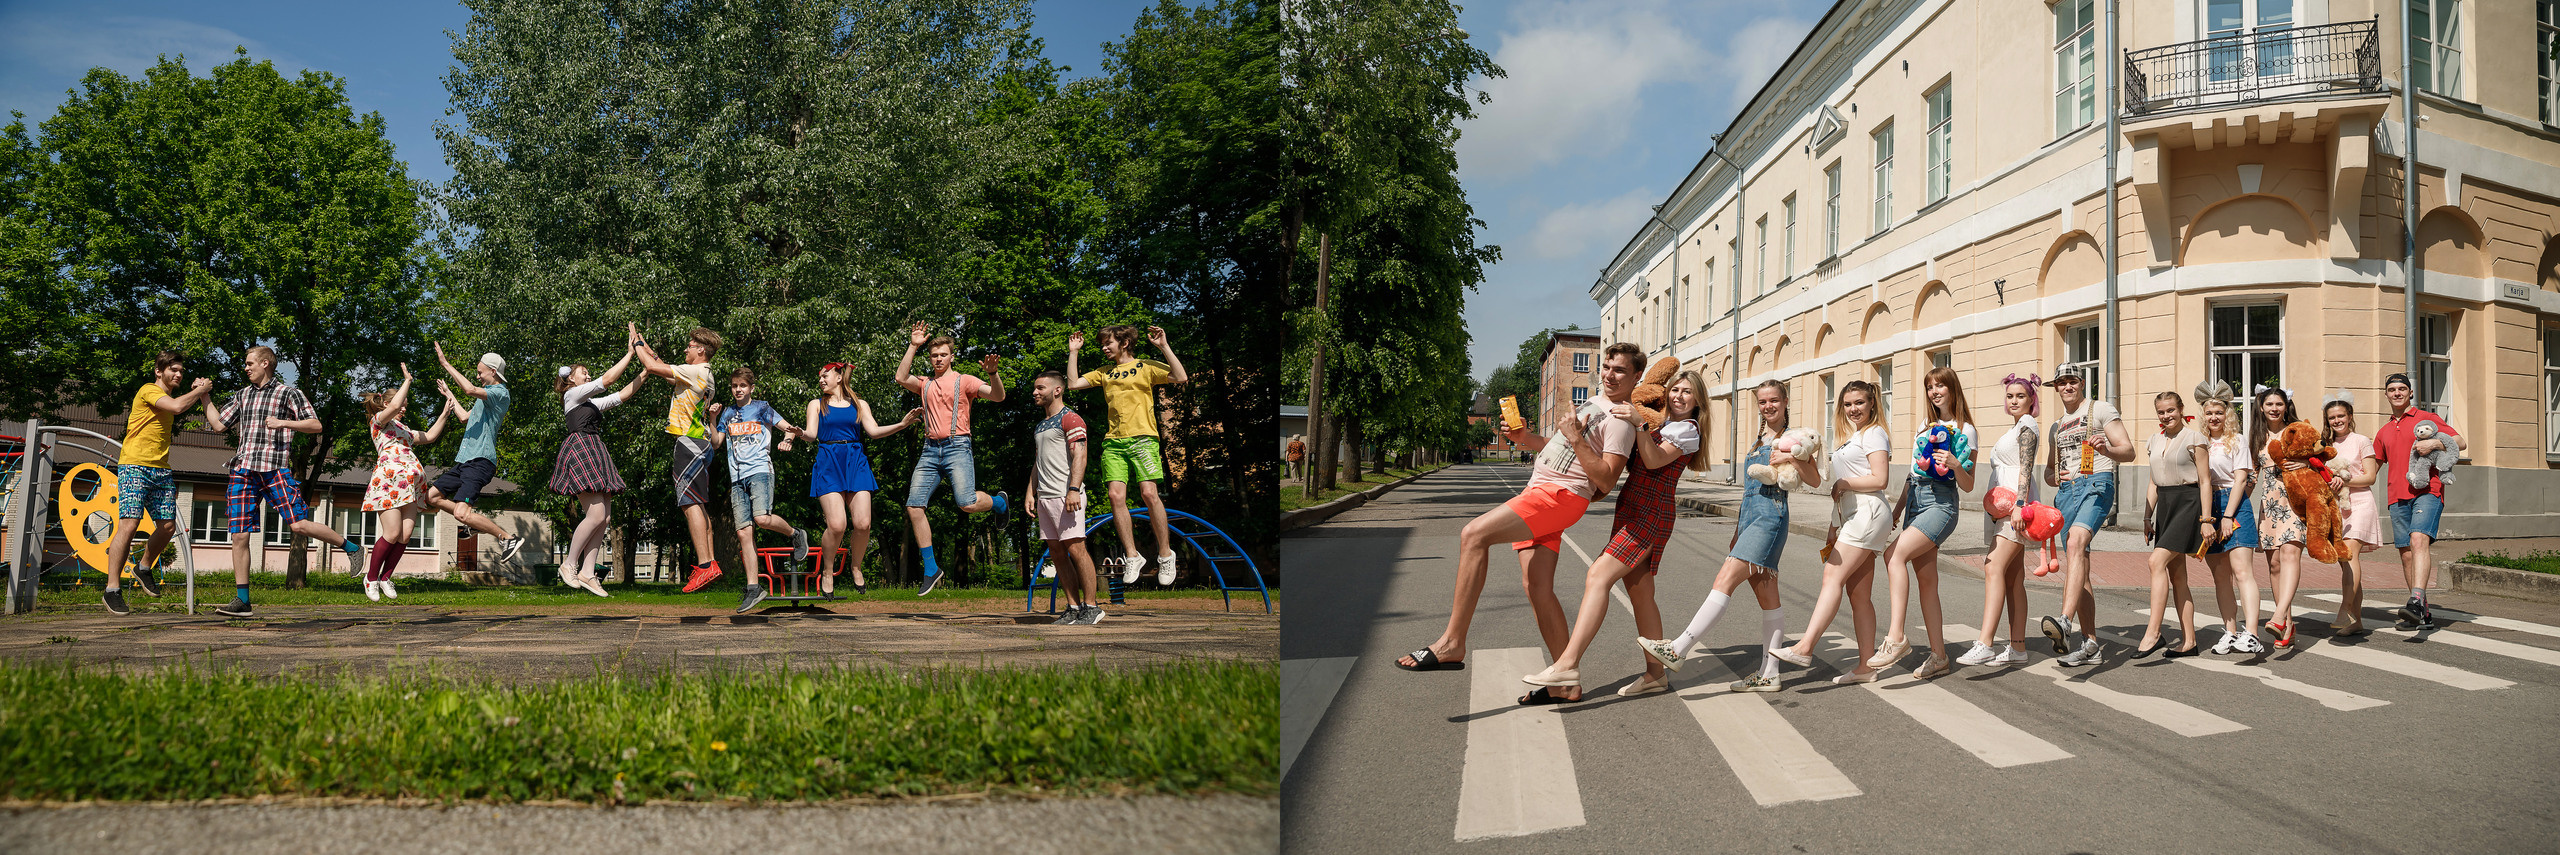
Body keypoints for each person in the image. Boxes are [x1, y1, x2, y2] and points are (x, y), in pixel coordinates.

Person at [1394, 342, 1640, 705]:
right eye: (1606, 366)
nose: (1609, 374)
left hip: (1558, 497)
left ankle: (1452, 642)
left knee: (1473, 534)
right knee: (1537, 586)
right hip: (1543, 489)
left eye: (1619, 370)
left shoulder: (1621, 420)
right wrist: (1526, 439)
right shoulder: (1592, 403)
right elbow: (1560, 448)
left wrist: (1574, 435)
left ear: (1636, 376)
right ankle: (1565, 682)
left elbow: (1605, 479)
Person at [1525, 370, 1708, 697]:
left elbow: (1652, 462)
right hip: (1631, 507)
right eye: (1675, 390)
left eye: (1687, 392)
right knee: (1640, 593)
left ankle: (1568, 663)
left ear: (1698, 402)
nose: (1678, 396)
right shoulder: (1661, 424)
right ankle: (1656, 674)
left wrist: (1639, 425)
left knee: (1598, 576)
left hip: (1651, 511)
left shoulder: (1687, 429)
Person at [1637, 379, 1810, 692]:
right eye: (1763, 402)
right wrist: (1737, 529)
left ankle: (1678, 649)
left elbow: (1813, 477)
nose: (1768, 406)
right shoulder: (1759, 437)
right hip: (1750, 519)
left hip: (1771, 519)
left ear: (1785, 401)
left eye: (1774, 400)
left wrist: (1792, 459)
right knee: (1768, 599)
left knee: (1724, 579)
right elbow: (1748, 490)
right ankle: (1770, 673)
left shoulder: (1794, 438)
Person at [202, 346, 364, 617]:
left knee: (299, 525)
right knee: (239, 534)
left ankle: (352, 548)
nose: (246, 367)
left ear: (265, 363)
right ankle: (243, 601)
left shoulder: (288, 393)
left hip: (275, 469)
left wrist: (284, 423)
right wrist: (204, 396)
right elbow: (219, 425)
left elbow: (316, 425)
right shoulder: (242, 395)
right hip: (243, 469)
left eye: (250, 363)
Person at [1774, 380, 1894, 684]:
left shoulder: (1874, 433)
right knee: (1858, 595)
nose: (1853, 409)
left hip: (1868, 512)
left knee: (1832, 577)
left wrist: (1844, 484)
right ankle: (1866, 667)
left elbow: (1880, 479)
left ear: (1871, 405)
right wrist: (1834, 526)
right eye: (1847, 404)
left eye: (1859, 403)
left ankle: (1805, 646)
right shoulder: (1850, 437)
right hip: (1852, 514)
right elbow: (1837, 488)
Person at [1872, 367, 1978, 679]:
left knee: (1894, 556)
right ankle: (1939, 655)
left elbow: (1969, 485)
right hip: (1916, 501)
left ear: (1952, 389)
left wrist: (1956, 464)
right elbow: (1912, 474)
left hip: (1942, 503)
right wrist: (1897, 510)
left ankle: (1896, 637)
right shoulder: (1925, 425)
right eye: (1929, 387)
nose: (1934, 392)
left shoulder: (1965, 429)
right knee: (1927, 581)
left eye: (1940, 386)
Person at [1067, 325, 1189, 586]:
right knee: (1115, 496)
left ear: (1123, 342)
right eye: (1101, 344)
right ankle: (1132, 555)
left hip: (1144, 438)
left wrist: (1164, 346)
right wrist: (1073, 352)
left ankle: (1166, 554)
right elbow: (1073, 384)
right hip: (1114, 443)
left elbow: (1180, 377)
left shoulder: (1146, 367)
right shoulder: (1105, 372)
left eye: (1107, 343)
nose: (1103, 347)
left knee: (1148, 493)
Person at [894, 321, 1009, 596]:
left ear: (951, 356)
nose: (938, 359)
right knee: (914, 507)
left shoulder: (964, 380)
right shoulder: (924, 383)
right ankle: (931, 568)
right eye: (934, 355)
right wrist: (913, 345)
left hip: (958, 447)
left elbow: (997, 396)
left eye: (943, 354)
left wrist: (993, 374)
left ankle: (1000, 503)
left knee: (967, 503)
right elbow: (900, 377)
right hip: (930, 450)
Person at [100, 351, 216, 614]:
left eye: (181, 371)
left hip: (160, 469)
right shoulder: (148, 390)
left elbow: (179, 405)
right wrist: (202, 390)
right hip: (134, 466)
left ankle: (143, 567)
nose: (178, 374)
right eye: (174, 370)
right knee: (129, 525)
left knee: (167, 527)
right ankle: (112, 589)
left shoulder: (169, 398)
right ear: (158, 371)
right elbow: (176, 407)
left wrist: (198, 392)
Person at [797, 361, 920, 597]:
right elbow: (811, 435)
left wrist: (902, 424)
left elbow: (873, 432)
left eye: (825, 376)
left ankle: (855, 567)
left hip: (855, 461)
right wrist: (799, 433)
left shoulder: (859, 404)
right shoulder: (816, 404)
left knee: (863, 524)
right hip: (829, 461)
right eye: (820, 377)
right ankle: (828, 569)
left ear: (839, 377)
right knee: (837, 525)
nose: (821, 380)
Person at [2039, 365, 2132, 667]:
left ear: (2082, 384)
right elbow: (2050, 472)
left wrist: (2107, 446)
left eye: (2072, 381)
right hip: (2068, 493)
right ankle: (2091, 643)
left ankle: (2065, 622)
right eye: (2062, 382)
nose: (2067, 386)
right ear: (2056, 387)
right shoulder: (2056, 426)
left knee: (2078, 542)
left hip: (2097, 482)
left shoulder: (2101, 409)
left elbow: (2128, 451)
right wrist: (2057, 477)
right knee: (2080, 566)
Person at [632, 323, 728, 592]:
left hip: (689, 444)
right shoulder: (701, 373)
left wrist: (636, 345)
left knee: (690, 504)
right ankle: (711, 563)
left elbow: (651, 368)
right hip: (702, 444)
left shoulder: (696, 370)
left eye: (689, 346)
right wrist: (647, 346)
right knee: (699, 504)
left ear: (700, 349)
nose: (685, 349)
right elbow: (664, 369)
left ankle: (706, 565)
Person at [547, 341, 644, 597]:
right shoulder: (572, 394)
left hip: (595, 450)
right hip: (581, 449)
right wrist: (630, 353)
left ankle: (588, 572)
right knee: (596, 515)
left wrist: (646, 371)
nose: (588, 375)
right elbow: (609, 380)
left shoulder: (588, 403)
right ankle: (569, 564)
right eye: (584, 372)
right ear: (570, 378)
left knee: (605, 518)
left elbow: (621, 395)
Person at [712, 367, 810, 613]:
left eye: (742, 386)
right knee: (745, 534)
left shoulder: (762, 408)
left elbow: (789, 428)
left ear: (751, 388)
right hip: (737, 479)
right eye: (734, 386)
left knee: (762, 518)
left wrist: (787, 440)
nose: (737, 390)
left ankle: (796, 534)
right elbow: (716, 443)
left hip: (759, 471)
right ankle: (754, 588)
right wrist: (712, 420)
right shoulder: (727, 414)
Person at [1958, 374, 2040, 667]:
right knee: (2013, 578)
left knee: (1992, 566)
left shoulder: (2028, 425)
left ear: (2031, 400)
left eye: (2020, 396)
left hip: (2015, 508)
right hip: (2005, 507)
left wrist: (2020, 505)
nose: (2014, 400)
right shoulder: (2016, 427)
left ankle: (1985, 643)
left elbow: (2026, 468)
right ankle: (2018, 648)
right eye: (2010, 396)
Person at [424, 342, 529, 566]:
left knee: (461, 513)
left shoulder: (500, 393)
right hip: (464, 461)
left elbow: (470, 389)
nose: (478, 376)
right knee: (432, 497)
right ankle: (473, 522)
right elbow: (464, 417)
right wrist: (449, 394)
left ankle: (508, 538)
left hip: (480, 461)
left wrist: (445, 363)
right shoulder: (485, 400)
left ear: (493, 371)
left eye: (480, 372)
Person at [2371, 373, 2460, 629]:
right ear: (2386, 394)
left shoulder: (2427, 419)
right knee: (2407, 555)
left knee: (2418, 539)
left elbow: (2460, 442)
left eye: (2402, 389)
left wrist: (2434, 442)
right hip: (2396, 497)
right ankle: (2422, 614)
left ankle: (2416, 601)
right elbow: (2370, 470)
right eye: (2392, 389)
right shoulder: (2383, 431)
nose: (2397, 393)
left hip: (2428, 491)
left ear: (2410, 393)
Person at [360, 364, 452, 601]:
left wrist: (444, 413)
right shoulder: (378, 424)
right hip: (388, 484)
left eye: (405, 406)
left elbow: (430, 436)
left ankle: (385, 577)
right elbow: (392, 407)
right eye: (402, 405)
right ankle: (370, 577)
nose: (403, 409)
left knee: (405, 535)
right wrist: (407, 381)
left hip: (410, 487)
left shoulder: (405, 431)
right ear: (388, 404)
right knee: (391, 533)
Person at [2133, 390, 2211, 658]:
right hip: (2165, 505)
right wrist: (2146, 516)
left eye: (2170, 410)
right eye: (2161, 412)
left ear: (2181, 409)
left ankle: (2153, 632)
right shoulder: (2154, 440)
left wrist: (2207, 520)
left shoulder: (2194, 438)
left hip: (2189, 503)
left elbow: (2205, 481)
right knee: (2177, 576)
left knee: (2156, 562)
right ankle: (2189, 641)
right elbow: (2154, 481)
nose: (2166, 416)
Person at [2195, 382, 2267, 655]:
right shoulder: (2199, 443)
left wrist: (2227, 516)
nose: (2214, 417)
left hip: (2234, 505)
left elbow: (2240, 480)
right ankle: (2230, 631)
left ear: (2227, 414)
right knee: (2220, 577)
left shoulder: (2236, 441)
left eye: (2219, 412)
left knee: (2242, 571)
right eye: (2209, 412)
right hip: (2207, 507)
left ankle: (2251, 634)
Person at [1025, 371, 1103, 624]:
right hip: (1045, 497)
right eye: (1035, 388)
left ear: (1057, 390)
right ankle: (1072, 607)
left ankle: (1091, 607)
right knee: (1056, 553)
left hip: (1066, 494)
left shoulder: (1071, 418)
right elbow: (1038, 461)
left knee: (1076, 548)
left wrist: (1073, 488)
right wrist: (1030, 492)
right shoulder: (1041, 425)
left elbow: (1080, 455)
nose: (1035, 392)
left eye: (1040, 388)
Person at [2249, 386, 2311, 649]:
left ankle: (2278, 615)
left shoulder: (2298, 430)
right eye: (2269, 404)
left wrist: (2307, 463)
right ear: (2261, 407)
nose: (2274, 408)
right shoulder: (2256, 436)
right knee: (2274, 564)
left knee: (2290, 556)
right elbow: (2251, 475)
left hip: (2295, 501)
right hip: (2270, 504)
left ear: (2287, 406)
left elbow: (2321, 458)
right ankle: (2287, 620)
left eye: (2279, 404)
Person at [2322, 397, 2382, 636]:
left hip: (2359, 503)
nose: (2337, 420)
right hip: (2335, 507)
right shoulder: (2325, 445)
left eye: (2341, 416)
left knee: (2349, 557)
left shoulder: (2361, 441)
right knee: (2345, 562)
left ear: (2349, 416)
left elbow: (2370, 477)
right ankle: (2356, 620)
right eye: (2332, 417)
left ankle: (2345, 609)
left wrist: (2344, 480)